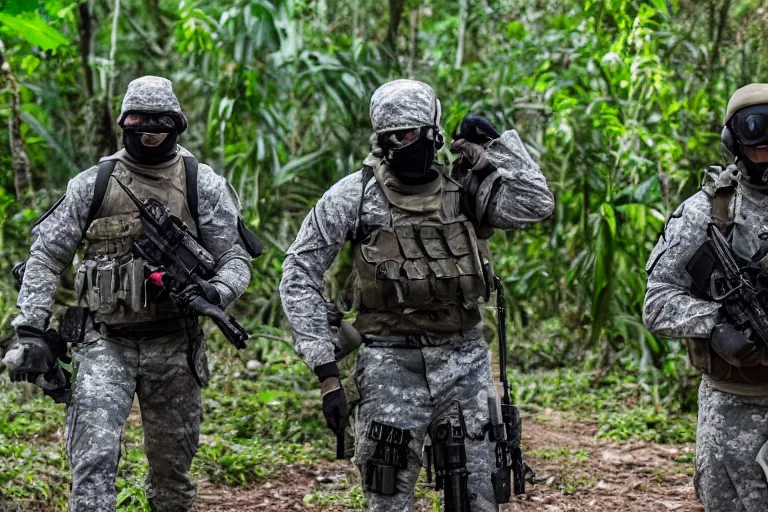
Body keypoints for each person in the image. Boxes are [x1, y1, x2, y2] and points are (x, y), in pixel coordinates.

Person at [280, 79, 554, 511]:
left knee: (479, 497)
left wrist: (497, 152)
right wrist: (326, 370)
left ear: (435, 133)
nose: (403, 144)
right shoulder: (356, 195)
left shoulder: (465, 190)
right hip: (388, 362)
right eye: (393, 137)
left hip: (464, 360)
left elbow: (536, 205)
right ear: (379, 138)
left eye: (412, 134)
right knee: (388, 496)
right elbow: (299, 271)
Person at [3, 75, 255, 512]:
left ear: (178, 123)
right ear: (124, 122)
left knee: (171, 473)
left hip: (175, 346)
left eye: (161, 121)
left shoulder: (201, 183)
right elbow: (46, 255)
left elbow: (236, 256)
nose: (150, 130)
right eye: (140, 120)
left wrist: (216, 290)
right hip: (104, 342)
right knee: (93, 461)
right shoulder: (94, 183)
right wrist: (28, 325)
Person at [644, 83, 768, 511]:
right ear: (735, 141)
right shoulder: (706, 212)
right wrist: (713, 326)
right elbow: (658, 299)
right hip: (732, 407)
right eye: (759, 145)